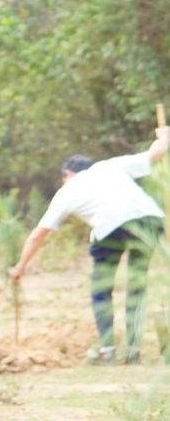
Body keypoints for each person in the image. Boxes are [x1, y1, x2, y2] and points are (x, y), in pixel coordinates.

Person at [10, 130, 170, 364]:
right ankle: (134, 352)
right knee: (137, 287)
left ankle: (108, 351)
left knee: (101, 291)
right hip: (149, 219)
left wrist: (20, 267)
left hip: (111, 226)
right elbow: (155, 153)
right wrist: (164, 136)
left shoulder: (67, 190)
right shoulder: (109, 166)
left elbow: (38, 235)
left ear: (67, 174)